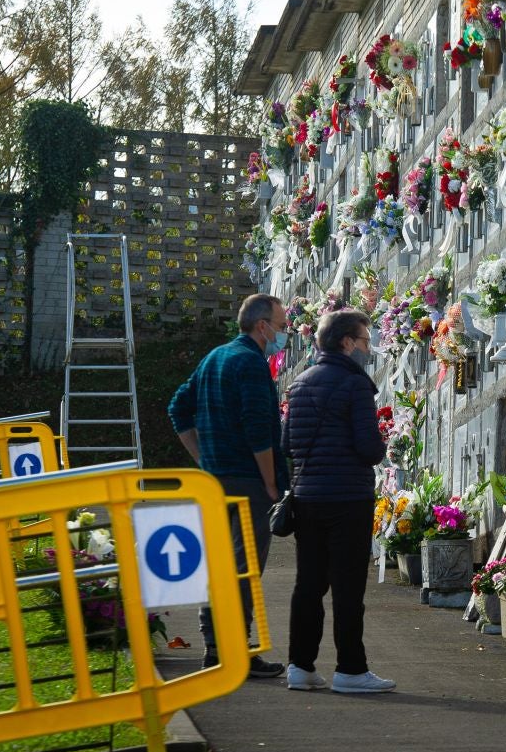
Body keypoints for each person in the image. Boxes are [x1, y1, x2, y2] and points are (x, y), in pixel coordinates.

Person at [168, 292, 288, 678]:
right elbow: (257, 429)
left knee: (217, 565)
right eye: (281, 326)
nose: (284, 334)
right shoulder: (251, 364)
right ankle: (237, 651)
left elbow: (177, 408)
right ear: (262, 326)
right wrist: (270, 482)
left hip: (214, 481)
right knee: (244, 568)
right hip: (248, 481)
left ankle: (214, 648)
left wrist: (203, 459)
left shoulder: (214, 357)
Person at [284, 309, 393, 693]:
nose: (368, 348)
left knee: (309, 585)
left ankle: (300, 666)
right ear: (347, 342)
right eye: (364, 341)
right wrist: (382, 443)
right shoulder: (355, 384)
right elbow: (368, 449)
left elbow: (287, 444)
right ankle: (350, 669)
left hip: (307, 498)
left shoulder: (299, 383)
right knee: (348, 588)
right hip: (348, 498)